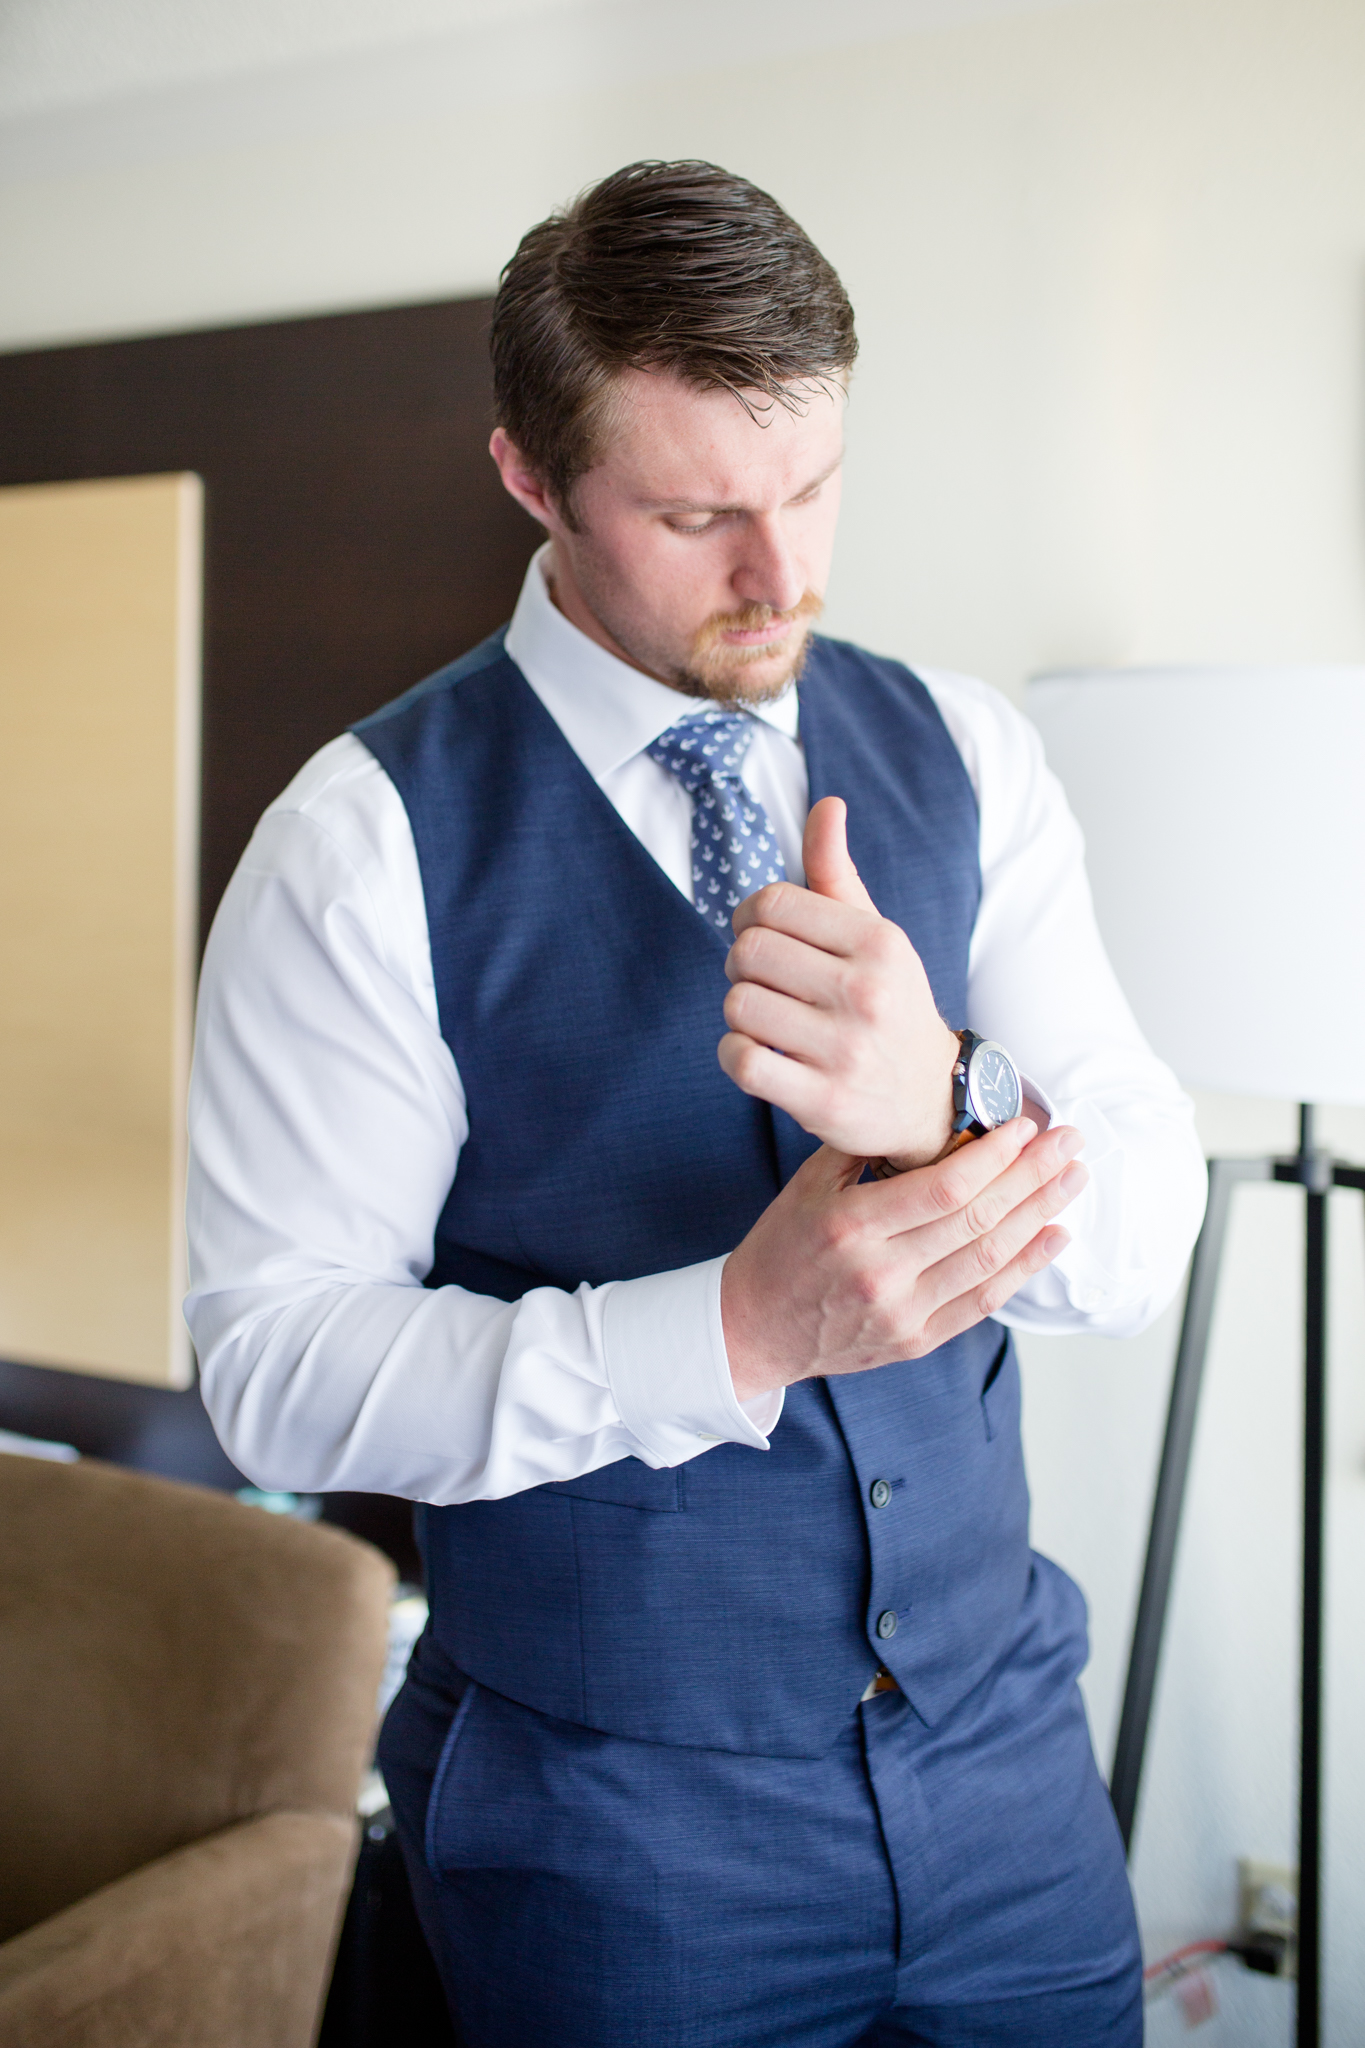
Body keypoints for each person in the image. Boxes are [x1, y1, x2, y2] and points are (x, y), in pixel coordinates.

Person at [186, 160, 1206, 2046]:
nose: (782, 573)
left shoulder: (971, 751)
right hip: (612, 1848)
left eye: (813, 485)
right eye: (694, 512)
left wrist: (954, 1098)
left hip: (1011, 1791)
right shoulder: (359, 846)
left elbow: (1146, 1222)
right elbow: (272, 1361)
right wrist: (725, 1330)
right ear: (529, 478)